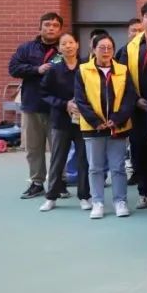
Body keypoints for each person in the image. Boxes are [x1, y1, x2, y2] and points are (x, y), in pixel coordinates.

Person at [74, 33, 137, 220]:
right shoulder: (83, 70)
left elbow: (129, 98)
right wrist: (96, 121)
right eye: (102, 47)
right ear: (93, 49)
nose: (106, 51)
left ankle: (120, 201)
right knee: (95, 167)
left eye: (109, 48)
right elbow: (81, 99)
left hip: (118, 127)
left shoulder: (123, 70)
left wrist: (117, 119)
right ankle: (98, 202)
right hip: (93, 127)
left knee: (118, 167)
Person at [116, 2, 147, 209]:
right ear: (142, 19)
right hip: (138, 108)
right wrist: (136, 99)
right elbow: (122, 77)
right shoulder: (130, 47)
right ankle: (146, 192)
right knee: (139, 152)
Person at [8, 11, 63, 199]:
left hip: (56, 107)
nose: (51, 28)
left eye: (55, 26)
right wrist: (36, 69)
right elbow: (13, 68)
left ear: (60, 30)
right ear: (40, 28)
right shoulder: (26, 49)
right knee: (33, 148)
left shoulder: (64, 49)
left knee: (58, 147)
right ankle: (37, 182)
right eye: (47, 25)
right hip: (32, 105)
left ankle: (59, 182)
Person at [38, 32, 91, 212]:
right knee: (57, 159)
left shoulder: (86, 66)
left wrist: (82, 106)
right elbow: (44, 93)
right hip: (61, 120)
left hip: (83, 120)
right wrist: (64, 104)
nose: (68, 46)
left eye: (71, 42)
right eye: (64, 44)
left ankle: (84, 196)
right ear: (59, 48)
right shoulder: (54, 68)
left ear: (77, 44)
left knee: (83, 160)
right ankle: (51, 197)